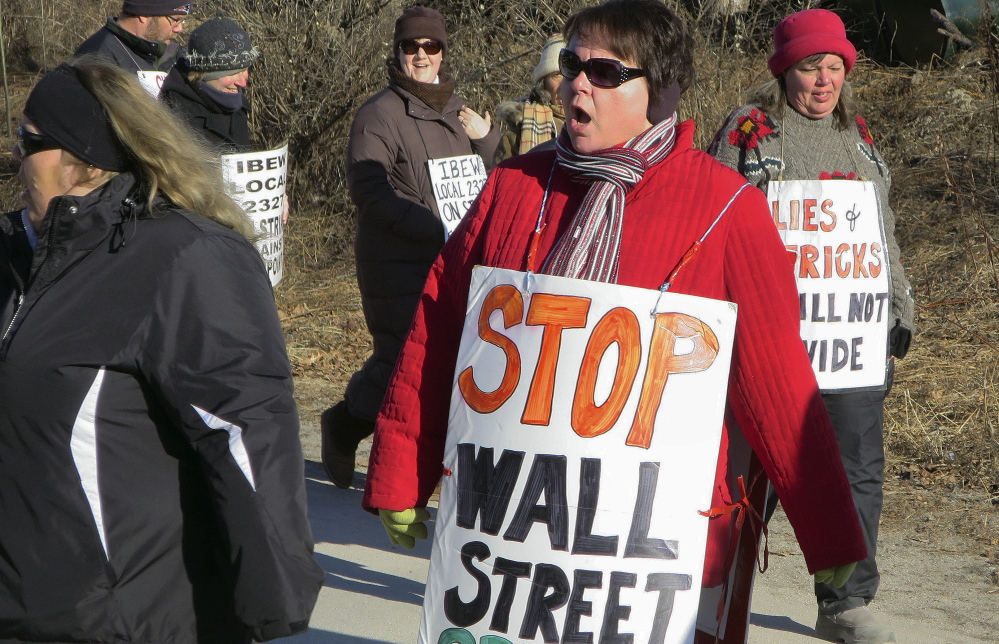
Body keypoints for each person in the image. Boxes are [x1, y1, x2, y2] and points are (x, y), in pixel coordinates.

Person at [362, 0, 867, 604]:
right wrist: (401, 470)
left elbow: (778, 381)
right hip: (512, 530)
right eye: (574, 63)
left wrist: (829, 531)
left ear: (661, 92)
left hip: (649, 553)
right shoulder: (513, 188)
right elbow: (439, 331)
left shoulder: (728, 209)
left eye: (606, 73)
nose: (578, 83)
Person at [0, 57, 323, 644]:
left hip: (123, 606)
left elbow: (243, 425)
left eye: (29, 143)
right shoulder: (27, 258)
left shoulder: (182, 255)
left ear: (82, 157)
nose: (16, 158)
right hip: (38, 596)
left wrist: (274, 584)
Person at [708, 8, 915, 644]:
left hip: (850, 343)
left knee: (857, 467)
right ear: (783, 71)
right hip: (770, 339)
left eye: (834, 67)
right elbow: (713, 221)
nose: (823, 81)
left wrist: (899, 304)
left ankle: (845, 602)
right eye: (808, 67)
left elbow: (879, 232)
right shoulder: (751, 132)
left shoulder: (861, 138)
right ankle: (710, 589)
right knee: (754, 468)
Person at [320, 5, 499, 489]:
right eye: (410, 46)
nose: (421, 56)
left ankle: (422, 463)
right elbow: (369, 192)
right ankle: (345, 424)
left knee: (441, 358)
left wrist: (486, 142)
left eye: (430, 46)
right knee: (402, 359)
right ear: (397, 51)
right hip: (395, 260)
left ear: (443, 52)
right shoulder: (378, 113)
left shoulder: (460, 112)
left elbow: (481, 185)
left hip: (452, 259)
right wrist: (431, 226)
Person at [161, 13, 256, 153]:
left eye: (245, 70)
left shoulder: (236, 105)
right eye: (232, 73)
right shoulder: (174, 116)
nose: (242, 82)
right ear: (203, 73)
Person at [75, 1, 191, 92]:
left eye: (183, 21)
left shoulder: (171, 52)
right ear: (145, 14)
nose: (179, 29)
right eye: (176, 20)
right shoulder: (97, 57)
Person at [493, 33, 566, 164]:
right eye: (557, 75)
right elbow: (503, 181)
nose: (565, 84)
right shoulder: (518, 132)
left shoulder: (601, 124)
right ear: (544, 83)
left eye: (570, 74)